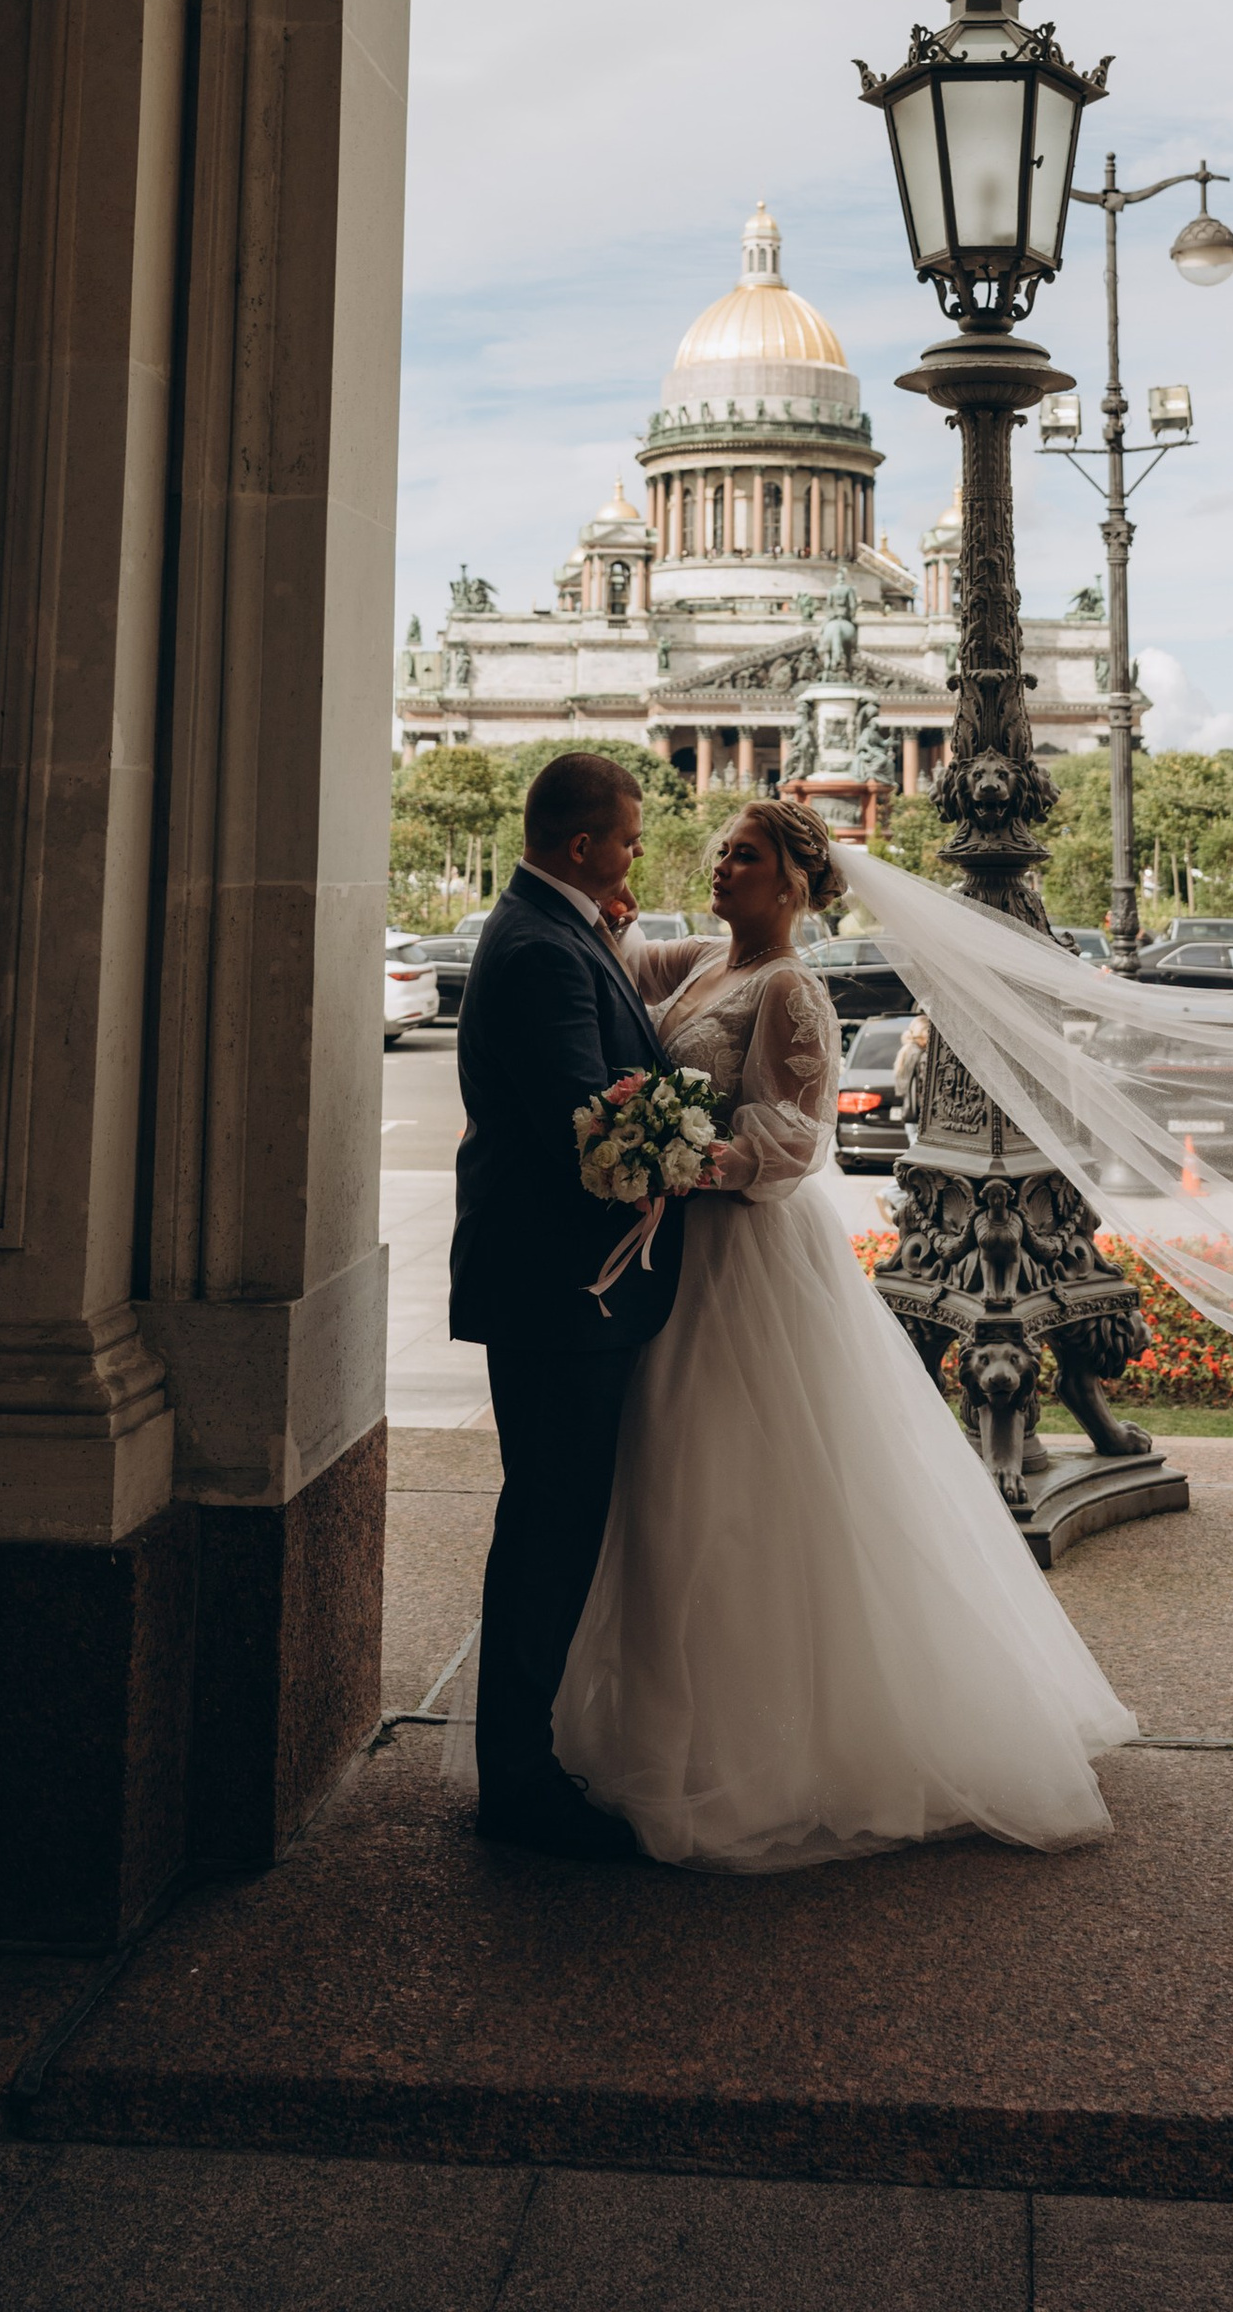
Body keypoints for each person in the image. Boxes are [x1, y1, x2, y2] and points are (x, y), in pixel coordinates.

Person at [551, 794, 1134, 1870]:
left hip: (745, 1256)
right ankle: (665, 1726)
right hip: (684, 1257)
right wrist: (607, 908)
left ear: (791, 884)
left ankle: (775, 1748)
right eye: (720, 850)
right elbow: (615, 956)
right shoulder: (700, 964)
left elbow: (795, 1138)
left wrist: (684, 1158)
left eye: (744, 856)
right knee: (669, 1485)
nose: (720, 865)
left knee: (736, 1489)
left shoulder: (792, 987)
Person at [450, 750, 691, 1859]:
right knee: (550, 1532)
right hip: (561, 1292)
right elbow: (591, 1132)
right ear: (585, 844)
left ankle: (522, 1762)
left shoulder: (552, 927)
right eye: (629, 841)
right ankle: (518, 1782)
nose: (637, 857)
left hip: (547, 1286)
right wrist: (692, 1152)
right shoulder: (544, 949)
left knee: (547, 1524)